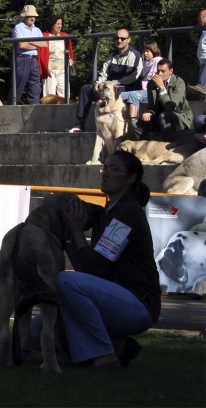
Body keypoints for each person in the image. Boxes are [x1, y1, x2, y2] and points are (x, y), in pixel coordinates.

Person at [60, 150, 161, 369]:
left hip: (139, 305)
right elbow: (87, 271)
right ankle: (119, 346)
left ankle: (104, 355)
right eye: (104, 167)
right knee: (31, 333)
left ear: (131, 178)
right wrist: (68, 238)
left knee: (65, 281)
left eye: (114, 169)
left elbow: (96, 268)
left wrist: (77, 233)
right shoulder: (110, 210)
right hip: (113, 300)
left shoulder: (128, 212)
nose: (105, 173)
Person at [70, 29, 143, 132]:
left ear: (129, 39)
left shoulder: (135, 55)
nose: (119, 40)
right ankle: (79, 125)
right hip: (108, 87)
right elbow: (103, 72)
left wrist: (113, 84)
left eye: (122, 38)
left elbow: (132, 76)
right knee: (86, 89)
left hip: (127, 89)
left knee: (108, 90)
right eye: (117, 38)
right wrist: (98, 83)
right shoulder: (112, 55)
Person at [132, 59, 193, 142]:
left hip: (179, 117)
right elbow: (152, 107)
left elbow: (170, 107)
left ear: (171, 71)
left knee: (164, 115)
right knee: (135, 124)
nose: (159, 74)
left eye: (163, 71)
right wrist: (149, 113)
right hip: (159, 116)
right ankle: (144, 148)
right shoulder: (151, 84)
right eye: (158, 71)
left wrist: (161, 88)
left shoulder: (178, 83)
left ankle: (166, 148)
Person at [9, 5, 47, 105]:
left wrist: (29, 41)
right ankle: (11, 107)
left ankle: (35, 108)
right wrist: (36, 43)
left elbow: (44, 44)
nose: (32, 18)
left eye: (34, 16)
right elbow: (21, 45)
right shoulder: (18, 28)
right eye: (30, 16)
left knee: (35, 86)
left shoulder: (37, 30)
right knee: (19, 84)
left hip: (34, 60)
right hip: (22, 59)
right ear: (24, 16)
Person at [120, 40, 163, 119]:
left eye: (147, 51)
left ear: (154, 50)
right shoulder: (145, 62)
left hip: (152, 93)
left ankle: (133, 122)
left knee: (134, 95)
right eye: (144, 51)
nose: (145, 54)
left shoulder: (159, 61)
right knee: (119, 96)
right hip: (143, 91)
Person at [37, 15, 75, 97]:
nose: (60, 26)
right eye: (57, 23)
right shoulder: (44, 36)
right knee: (49, 96)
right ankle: (48, 110)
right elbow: (41, 54)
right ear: (51, 24)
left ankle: (65, 110)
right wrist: (45, 68)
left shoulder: (65, 36)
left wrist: (71, 61)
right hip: (50, 71)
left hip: (63, 70)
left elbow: (70, 52)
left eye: (61, 23)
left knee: (65, 96)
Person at [187, 9, 206, 98]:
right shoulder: (203, 31)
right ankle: (202, 88)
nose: (198, 19)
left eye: (200, 17)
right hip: (202, 59)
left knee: (202, 83)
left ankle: (201, 86)